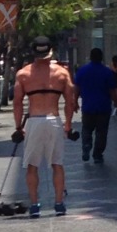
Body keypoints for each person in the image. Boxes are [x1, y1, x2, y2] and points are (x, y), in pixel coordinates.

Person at [13, 35, 75, 218]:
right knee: (57, 163)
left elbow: (17, 102)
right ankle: (58, 203)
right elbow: (69, 102)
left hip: (34, 120)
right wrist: (68, 125)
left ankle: (34, 205)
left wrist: (18, 127)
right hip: (54, 119)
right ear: (50, 51)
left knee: (32, 166)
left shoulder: (23, 74)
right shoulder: (62, 73)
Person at [74, 48, 117, 164]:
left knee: (86, 129)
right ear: (101, 58)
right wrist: (116, 102)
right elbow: (112, 90)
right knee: (101, 131)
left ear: (90, 57)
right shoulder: (107, 72)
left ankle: (86, 144)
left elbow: (76, 89)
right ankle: (97, 155)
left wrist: (74, 102)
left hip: (88, 107)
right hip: (103, 107)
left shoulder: (82, 71)